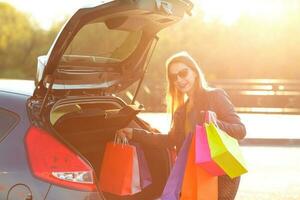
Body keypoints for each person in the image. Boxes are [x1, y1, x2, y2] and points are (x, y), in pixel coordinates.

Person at [117, 51, 246, 200]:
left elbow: (240, 130)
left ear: (195, 73)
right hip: (193, 173)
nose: (179, 79)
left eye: (183, 73)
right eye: (173, 77)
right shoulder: (181, 111)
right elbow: (170, 140)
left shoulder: (215, 96)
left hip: (220, 173)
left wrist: (215, 123)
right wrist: (135, 133)